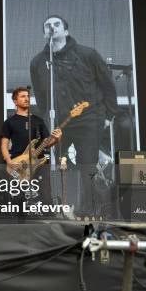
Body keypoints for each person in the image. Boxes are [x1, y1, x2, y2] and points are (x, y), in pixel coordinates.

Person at [30, 15, 118, 213]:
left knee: (86, 164)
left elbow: (107, 84)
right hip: (59, 121)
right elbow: (41, 95)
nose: (52, 27)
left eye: (56, 24)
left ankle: (86, 211)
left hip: (88, 118)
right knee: (54, 162)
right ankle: (58, 205)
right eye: (48, 25)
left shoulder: (87, 54)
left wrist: (108, 115)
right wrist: (46, 120)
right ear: (45, 33)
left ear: (66, 31)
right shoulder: (38, 62)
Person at [0, 87, 62, 207]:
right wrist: (9, 161)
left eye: (28, 96)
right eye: (23, 96)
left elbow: (46, 143)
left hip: (39, 163)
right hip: (20, 163)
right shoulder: (9, 122)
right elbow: (4, 145)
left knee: (45, 193)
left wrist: (56, 139)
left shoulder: (38, 121)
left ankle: (47, 216)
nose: (26, 98)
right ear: (15, 101)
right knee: (18, 196)